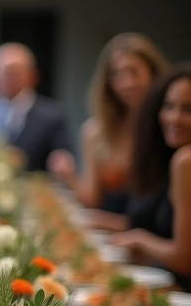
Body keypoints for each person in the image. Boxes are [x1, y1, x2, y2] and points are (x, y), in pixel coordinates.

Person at [51, 32, 168, 213]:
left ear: (153, 74)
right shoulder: (95, 132)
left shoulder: (168, 128)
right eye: (117, 75)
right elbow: (92, 200)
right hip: (110, 234)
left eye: (134, 72)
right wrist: (69, 175)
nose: (127, 83)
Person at [109, 64, 191, 289]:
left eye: (188, 110)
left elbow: (184, 259)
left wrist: (140, 240)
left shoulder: (185, 160)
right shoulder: (174, 157)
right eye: (169, 106)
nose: (174, 118)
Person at [0, 42, 71, 173]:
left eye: (11, 72)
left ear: (31, 76)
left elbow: (63, 159)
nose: (2, 78)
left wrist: (61, 164)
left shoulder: (52, 116)